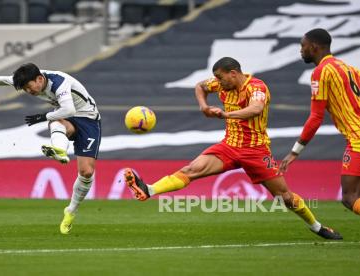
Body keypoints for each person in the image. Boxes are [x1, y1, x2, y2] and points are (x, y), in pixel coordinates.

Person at [124, 57, 342, 240]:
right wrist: (204, 107)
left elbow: (256, 109)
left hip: (256, 151)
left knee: (284, 196)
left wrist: (225, 115)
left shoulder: (256, 87)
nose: (217, 82)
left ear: (233, 73)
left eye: (220, 77)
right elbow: (200, 86)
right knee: (192, 169)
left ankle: (317, 226)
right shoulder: (221, 83)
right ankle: (148, 190)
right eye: (216, 78)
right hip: (229, 146)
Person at [0, 63, 101, 234]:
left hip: (88, 118)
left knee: (86, 172)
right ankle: (59, 150)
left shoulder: (59, 82)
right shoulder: (29, 78)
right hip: (66, 119)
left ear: (40, 79)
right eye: (25, 89)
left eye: (29, 87)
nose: (29, 91)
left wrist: (43, 116)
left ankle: (70, 211)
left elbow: (69, 108)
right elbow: (4, 80)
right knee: (57, 123)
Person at [279, 28, 360, 215]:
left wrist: (294, 152)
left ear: (314, 47)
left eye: (303, 46)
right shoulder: (350, 69)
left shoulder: (320, 72)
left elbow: (316, 117)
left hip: (357, 140)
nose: (301, 50)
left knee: (350, 198)